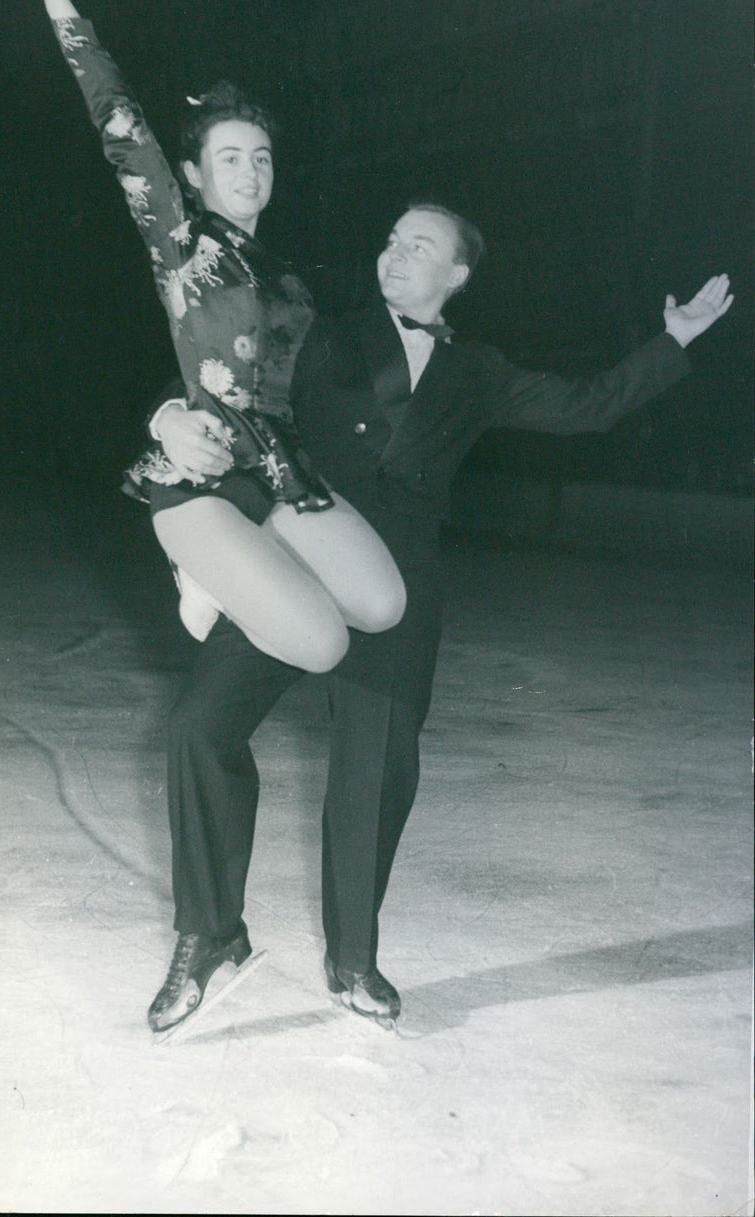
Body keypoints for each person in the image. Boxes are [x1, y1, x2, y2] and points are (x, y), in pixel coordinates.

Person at [150, 201, 732, 1032]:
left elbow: (588, 404)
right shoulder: (323, 331)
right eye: (390, 238)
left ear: (456, 274)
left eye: (419, 245)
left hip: (401, 587)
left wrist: (672, 341)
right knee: (200, 724)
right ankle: (209, 934)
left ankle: (353, 959)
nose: (395, 253)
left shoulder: (481, 368)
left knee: (376, 767)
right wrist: (167, 415)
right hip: (302, 556)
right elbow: (223, 373)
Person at [25, 0, 406, 672]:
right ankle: (198, 564)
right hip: (197, 474)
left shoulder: (290, 276)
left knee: (382, 605)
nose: (250, 169)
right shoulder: (180, 238)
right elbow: (123, 130)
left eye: (262, 157)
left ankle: (257, 558)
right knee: (323, 645)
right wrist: (66, 16)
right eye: (229, 156)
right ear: (194, 176)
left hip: (280, 467)